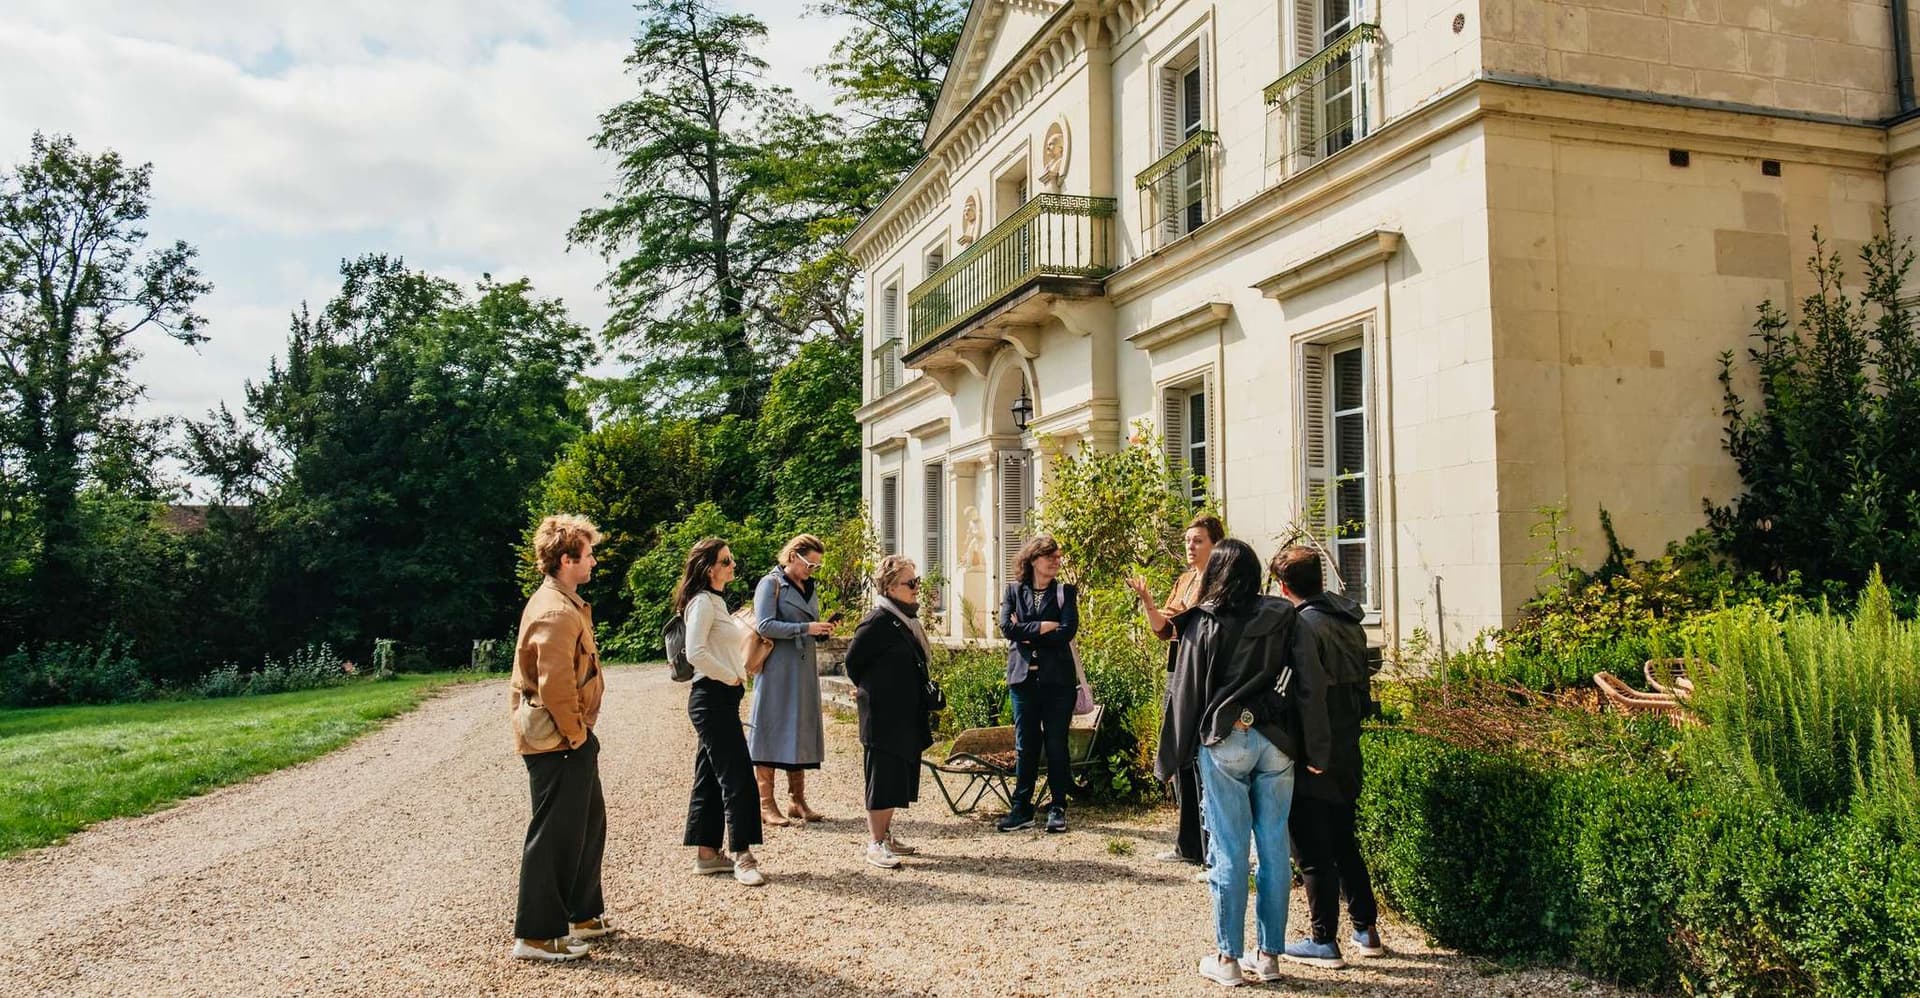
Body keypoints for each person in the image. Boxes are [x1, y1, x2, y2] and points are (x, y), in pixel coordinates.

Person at [1157, 538, 1310, 987]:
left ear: (1215, 573)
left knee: (1229, 851)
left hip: (1225, 740)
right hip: (1277, 739)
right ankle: (1270, 956)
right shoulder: (1283, 615)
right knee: (1274, 848)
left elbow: (1185, 694)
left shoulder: (1203, 622)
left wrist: (1170, 758)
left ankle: (1227, 959)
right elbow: (1301, 677)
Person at [1271, 545, 1384, 968]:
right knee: (1344, 839)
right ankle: (1365, 927)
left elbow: (1304, 695)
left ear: (1283, 587)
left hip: (1314, 749)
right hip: (1347, 745)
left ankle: (1323, 940)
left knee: (1313, 850)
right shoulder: (1350, 621)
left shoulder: (1301, 627)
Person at [509, 515, 611, 962]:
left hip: (570, 738)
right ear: (566, 560)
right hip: (558, 742)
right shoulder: (553, 610)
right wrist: (576, 736)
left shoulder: (567, 603)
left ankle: (582, 915)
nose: (593, 561)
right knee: (554, 833)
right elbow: (554, 687)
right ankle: (536, 935)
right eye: (587, 554)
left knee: (587, 824)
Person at [1128, 513, 1225, 866]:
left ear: (1216, 545)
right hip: (1178, 671)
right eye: (1187, 540)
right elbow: (1164, 630)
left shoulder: (1220, 584)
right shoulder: (1184, 580)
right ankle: (1188, 845)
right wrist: (1148, 601)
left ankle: (1212, 848)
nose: (1190, 546)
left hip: (1205, 677)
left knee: (1202, 759)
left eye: (1197, 540)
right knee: (1180, 754)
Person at [676, 537, 767, 887]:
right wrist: (730, 676)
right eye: (726, 561)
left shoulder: (715, 601)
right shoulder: (701, 602)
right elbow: (695, 651)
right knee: (738, 775)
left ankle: (707, 853)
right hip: (711, 698)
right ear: (709, 567)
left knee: (711, 776)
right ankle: (743, 855)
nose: (732, 566)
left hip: (721, 698)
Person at [843, 555, 936, 869]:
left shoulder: (904, 618)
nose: (916, 589)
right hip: (883, 714)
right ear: (891, 587)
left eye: (916, 582)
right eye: (910, 583)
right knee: (882, 779)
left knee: (897, 778)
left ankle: (886, 834)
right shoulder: (878, 620)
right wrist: (870, 689)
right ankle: (875, 842)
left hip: (904, 713)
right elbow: (853, 662)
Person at [750, 534, 834, 828]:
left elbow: (807, 624)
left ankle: (797, 800)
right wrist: (805, 628)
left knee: (798, 729)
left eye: (817, 566)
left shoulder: (808, 587)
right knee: (771, 730)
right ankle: (765, 803)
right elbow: (764, 625)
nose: (813, 570)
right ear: (793, 556)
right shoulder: (770, 584)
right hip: (777, 670)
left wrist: (820, 630)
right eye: (810, 563)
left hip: (802, 670)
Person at [997, 535, 1079, 834]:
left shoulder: (1065, 592)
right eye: (1050, 556)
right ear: (1033, 560)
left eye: (1058, 556)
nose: (1056, 561)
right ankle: (1022, 808)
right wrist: (1044, 626)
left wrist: (1026, 631)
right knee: (1025, 745)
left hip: (1058, 682)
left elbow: (1067, 631)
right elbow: (1007, 628)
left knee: (1056, 743)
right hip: (1023, 680)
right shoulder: (1013, 590)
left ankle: (1058, 806)